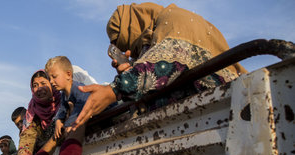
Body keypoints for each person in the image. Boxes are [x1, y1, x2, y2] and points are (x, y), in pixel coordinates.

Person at [72, 2, 247, 130]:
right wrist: (133, 68)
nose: (126, 49)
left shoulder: (175, 20)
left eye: (122, 41)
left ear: (131, 26)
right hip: (198, 122)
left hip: (218, 117)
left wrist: (114, 89)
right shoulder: (157, 32)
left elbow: (165, 64)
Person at [45, 56, 90, 139]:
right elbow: (62, 108)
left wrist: (69, 124)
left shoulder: (77, 88)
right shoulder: (64, 95)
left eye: (54, 77)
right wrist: (58, 120)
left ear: (68, 74)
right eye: (49, 78)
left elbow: (82, 104)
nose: (51, 81)